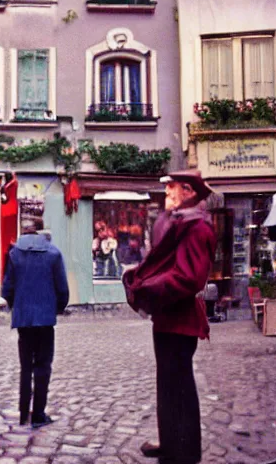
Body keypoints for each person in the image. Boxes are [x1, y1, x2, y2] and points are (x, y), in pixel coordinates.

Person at [123, 169, 216, 464]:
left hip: (182, 318)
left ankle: (185, 452)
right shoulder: (180, 222)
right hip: (168, 317)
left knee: (180, 386)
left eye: (172, 188)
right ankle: (170, 442)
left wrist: (147, 288)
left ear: (188, 191)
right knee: (168, 383)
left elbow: (189, 278)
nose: (166, 193)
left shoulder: (197, 227)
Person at [2, 221, 69, 428]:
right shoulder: (54, 254)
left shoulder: (14, 254)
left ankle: (23, 413)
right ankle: (38, 413)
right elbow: (62, 289)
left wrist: (17, 306)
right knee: (43, 366)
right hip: (45, 319)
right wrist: (56, 308)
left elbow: (7, 289)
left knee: (25, 367)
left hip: (24, 319)